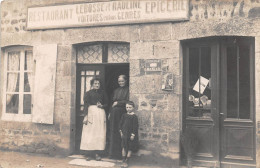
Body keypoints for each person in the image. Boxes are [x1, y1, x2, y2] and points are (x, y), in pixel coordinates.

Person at [80, 78, 108, 161]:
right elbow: (85, 105)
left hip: (100, 114)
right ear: (92, 84)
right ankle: (89, 154)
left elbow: (107, 103)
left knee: (99, 133)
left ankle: (97, 154)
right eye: (95, 83)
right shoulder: (88, 93)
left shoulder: (103, 93)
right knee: (89, 133)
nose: (97, 85)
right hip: (91, 113)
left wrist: (102, 106)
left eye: (98, 83)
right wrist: (85, 116)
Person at [108, 75, 129, 159]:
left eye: (122, 81)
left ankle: (121, 155)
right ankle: (112, 154)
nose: (121, 83)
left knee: (121, 132)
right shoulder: (116, 90)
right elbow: (112, 102)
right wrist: (110, 112)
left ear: (126, 81)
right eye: (119, 81)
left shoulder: (128, 90)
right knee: (113, 131)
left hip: (122, 113)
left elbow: (128, 101)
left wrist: (119, 103)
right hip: (114, 114)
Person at [119, 101, 139, 166]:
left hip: (130, 135)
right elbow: (120, 124)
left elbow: (135, 127)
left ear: (133, 108)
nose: (128, 108)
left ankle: (127, 161)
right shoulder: (124, 115)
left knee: (130, 147)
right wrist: (121, 132)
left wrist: (133, 135)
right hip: (124, 134)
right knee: (124, 147)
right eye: (127, 107)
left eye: (130, 107)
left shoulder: (134, 117)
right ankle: (123, 160)